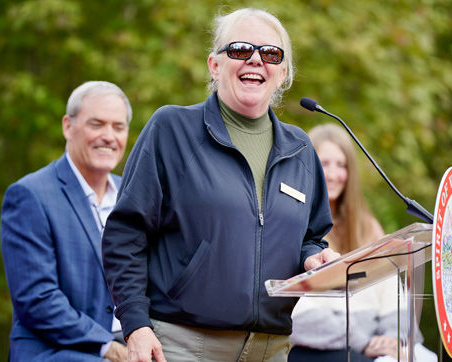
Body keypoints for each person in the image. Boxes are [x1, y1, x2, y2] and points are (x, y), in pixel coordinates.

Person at [102, 8, 338, 362]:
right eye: (241, 49)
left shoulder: (301, 150)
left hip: (271, 350)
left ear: (283, 72)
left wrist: (314, 259)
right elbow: (125, 234)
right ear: (215, 65)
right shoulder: (172, 130)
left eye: (271, 53)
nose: (256, 60)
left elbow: (310, 237)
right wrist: (136, 324)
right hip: (183, 346)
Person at [0, 81, 132, 362]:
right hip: (57, 351)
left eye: (118, 127)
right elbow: (37, 300)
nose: (109, 136)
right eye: (97, 124)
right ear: (68, 126)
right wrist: (109, 349)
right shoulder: (30, 195)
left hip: (129, 343)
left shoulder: (130, 197)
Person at [288, 124, 437, 362]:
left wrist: (394, 339)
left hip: (374, 346)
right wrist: (364, 342)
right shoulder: (295, 228)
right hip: (318, 349)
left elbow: (391, 294)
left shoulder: (368, 227)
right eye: (324, 164)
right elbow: (299, 315)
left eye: (341, 165)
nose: (333, 174)